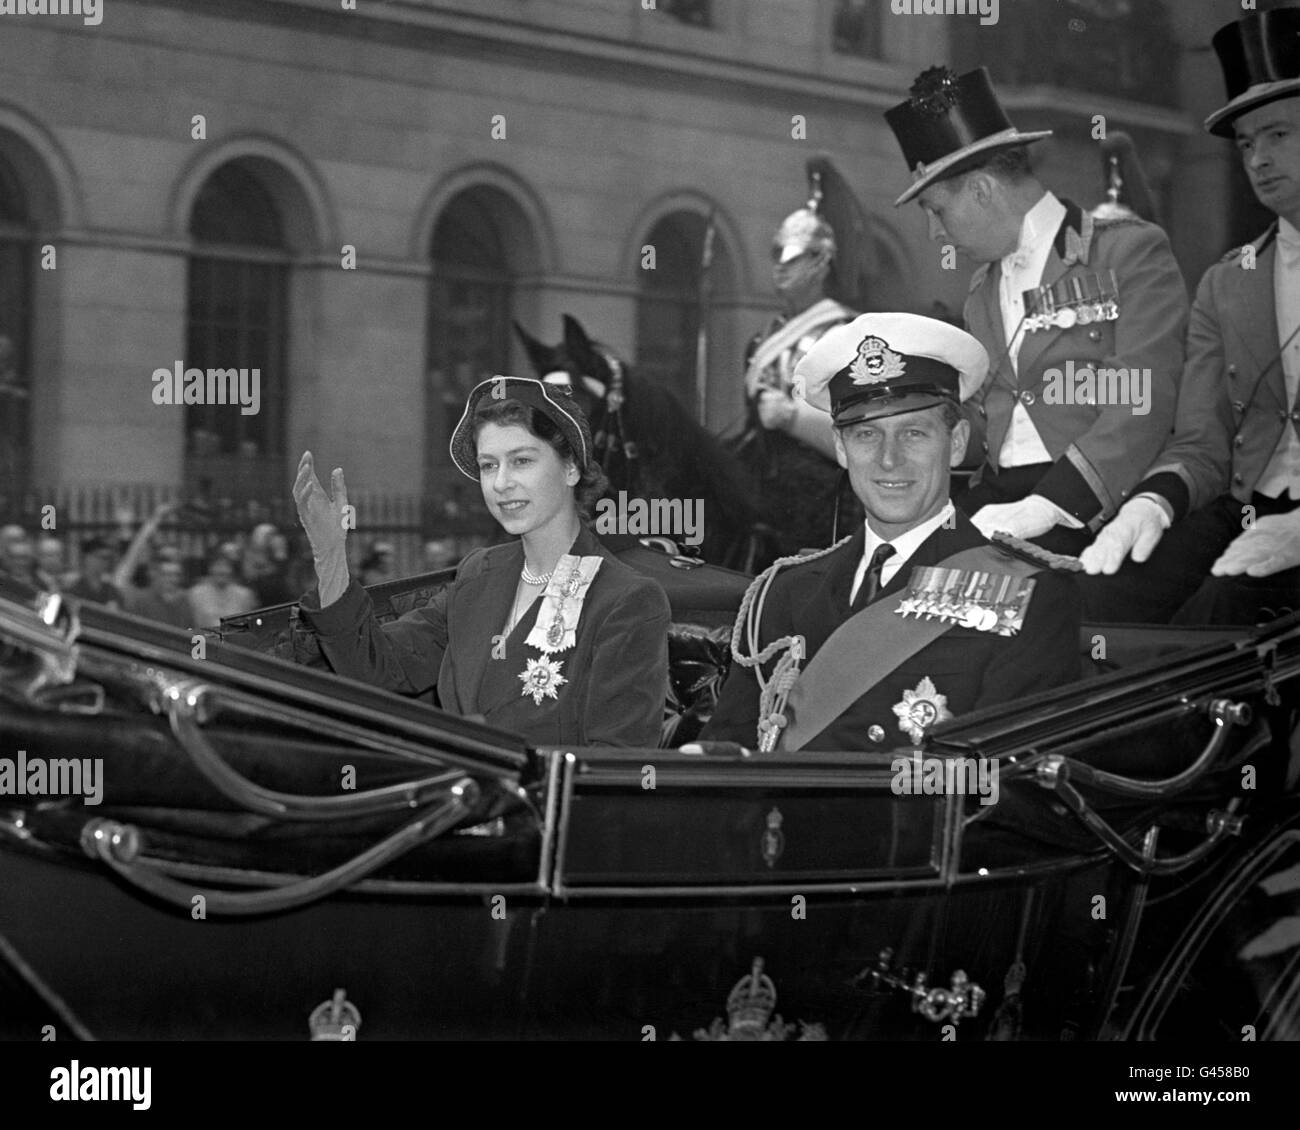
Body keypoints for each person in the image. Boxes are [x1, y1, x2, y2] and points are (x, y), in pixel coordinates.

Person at [701, 313, 1081, 753]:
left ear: (955, 443)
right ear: (840, 449)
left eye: (914, 433)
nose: (888, 460)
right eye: (866, 435)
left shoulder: (1027, 595)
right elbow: (729, 757)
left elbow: (1006, 789)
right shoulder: (780, 594)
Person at [884, 66, 1189, 556]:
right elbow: (986, 423)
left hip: (1096, 501)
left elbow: (1142, 397)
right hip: (999, 496)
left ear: (983, 190)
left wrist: (1052, 502)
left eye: (937, 212)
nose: (935, 235)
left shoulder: (1127, 253)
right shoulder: (983, 290)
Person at [294, 375, 671, 748]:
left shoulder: (626, 600)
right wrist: (329, 557)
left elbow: (615, 768)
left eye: (521, 460)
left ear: (571, 467)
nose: (501, 483)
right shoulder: (479, 574)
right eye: (489, 465)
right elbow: (377, 669)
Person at [1078, 7, 1300, 625]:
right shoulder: (1229, 282)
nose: (1257, 159)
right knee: (1101, 602)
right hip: (1245, 505)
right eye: (1248, 144)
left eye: (1278, 135)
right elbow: (1203, 442)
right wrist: (1153, 500)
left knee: (1216, 616)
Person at [734, 167, 859, 558]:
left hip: (824, 491)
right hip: (764, 486)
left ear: (821, 261)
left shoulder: (845, 333)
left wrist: (793, 418)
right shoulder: (762, 339)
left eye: (792, 257)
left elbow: (857, 429)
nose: (780, 266)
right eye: (776, 256)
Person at [186, 552, 257, 628]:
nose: (222, 570)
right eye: (217, 565)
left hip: (235, 637)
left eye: (226, 566)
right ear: (210, 569)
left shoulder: (245, 595)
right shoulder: (194, 594)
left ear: (232, 570)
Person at [66, 537, 123, 609]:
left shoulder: (112, 592)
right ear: (87, 558)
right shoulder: (74, 590)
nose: (105, 563)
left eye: (108, 559)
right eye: (101, 557)